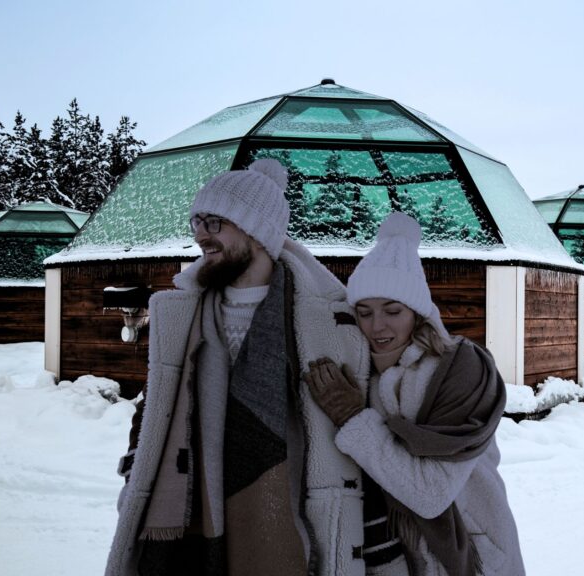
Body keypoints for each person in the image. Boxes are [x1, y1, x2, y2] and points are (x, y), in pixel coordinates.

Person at [105, 159, 372, 576]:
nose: (200, 235)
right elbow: (155, 405)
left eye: (214, 222)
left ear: (257, 230)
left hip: (294, 512)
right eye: (196, 223)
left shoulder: (331, 321)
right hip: (192, 511)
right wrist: (134, 473)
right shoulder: (181, 315)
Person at [305, 213, 525, 576]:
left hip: (473, 551)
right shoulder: (360, 372)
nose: (377, 326)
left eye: (393, 311)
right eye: (364, 312)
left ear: (418, 313)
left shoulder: (460, 369)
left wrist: (353, 418)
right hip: (395, 557)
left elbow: (430, 494)